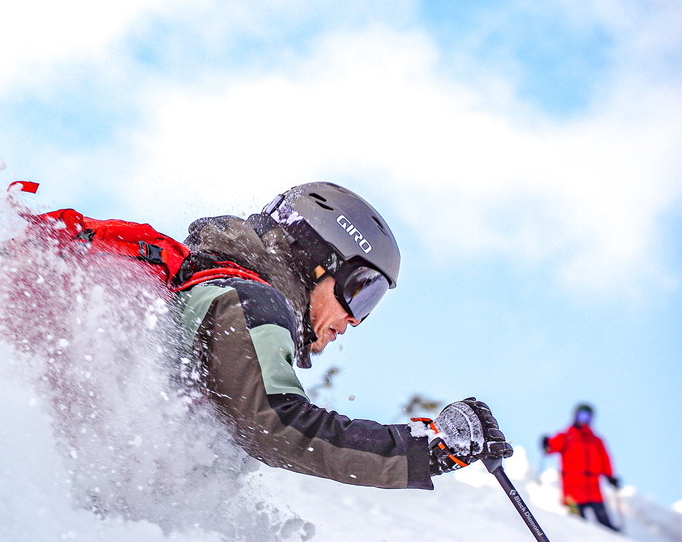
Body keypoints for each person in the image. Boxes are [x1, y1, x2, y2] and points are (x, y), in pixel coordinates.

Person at [171, 182, 512, 490]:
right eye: (360, 291)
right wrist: (428, 448)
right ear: (314, 260)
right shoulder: (251, 301)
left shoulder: (207, 283)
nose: (354, 319)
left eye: (369, 303)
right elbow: (274, 424)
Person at [543, 403, 619, 530]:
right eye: (581, 416)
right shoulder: (566, 437)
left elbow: (605, 460)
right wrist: (546, 443)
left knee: (605, 523)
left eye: (587, 417)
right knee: (578, 525)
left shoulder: (596, 441)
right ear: (575, 416)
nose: (584, 420)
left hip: (593, 488)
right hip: (573, 489)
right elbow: (550, 448)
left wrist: (610, 476)